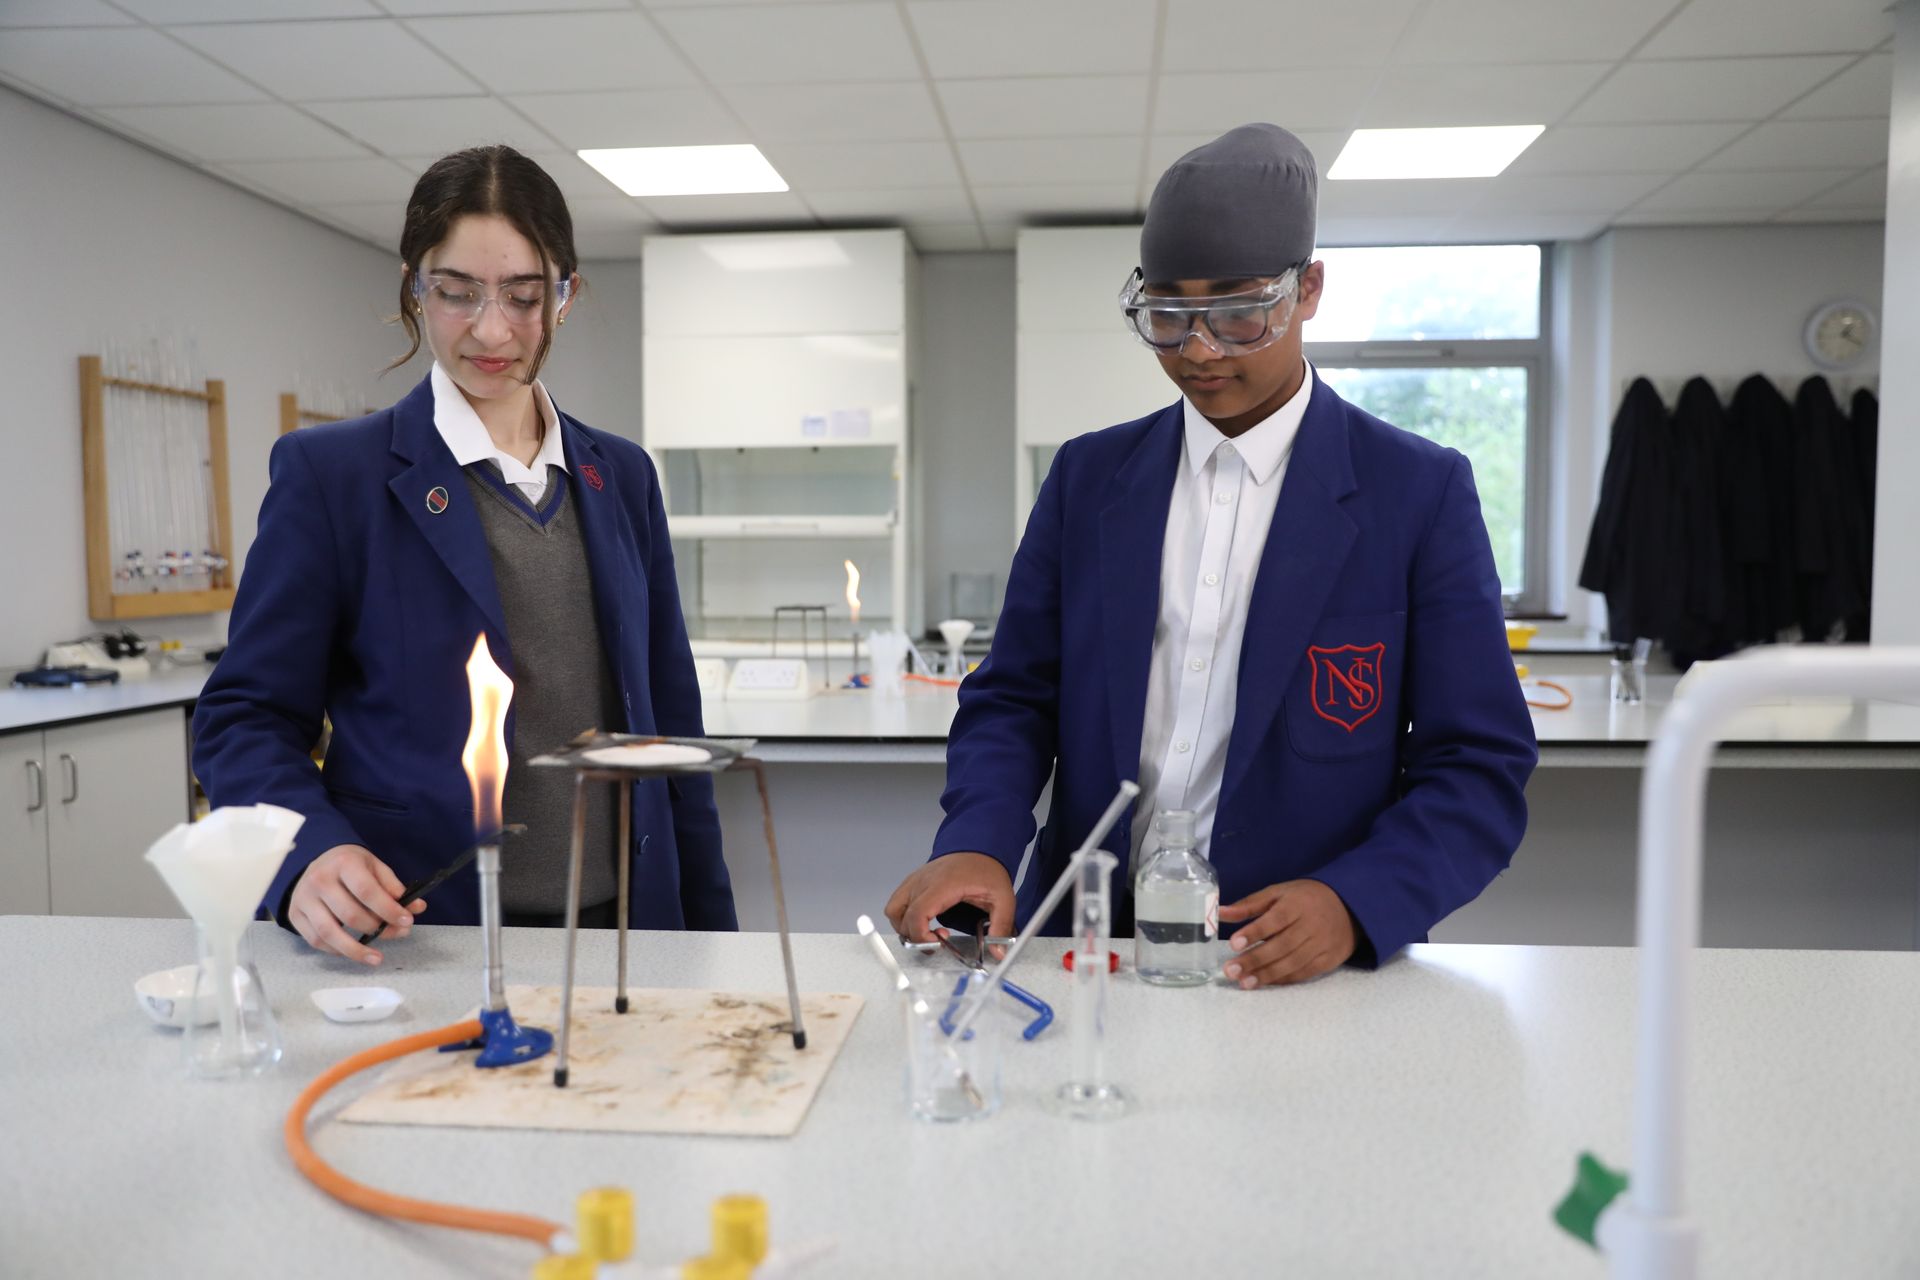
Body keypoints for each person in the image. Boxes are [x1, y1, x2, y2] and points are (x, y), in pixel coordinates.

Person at [886, 124, 1537, 986]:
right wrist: (977, 842)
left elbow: (1477, 766)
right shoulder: (1090, 480)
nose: (1198, 348)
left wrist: (1355, 900)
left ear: (1308, 290)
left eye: (1238, 311)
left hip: (1292, 960)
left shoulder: (1415, 493)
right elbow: (1014, 699)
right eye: (1167, 314)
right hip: (1087, 947)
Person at [194, 145, 733, 966]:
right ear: (414, 285)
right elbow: (245, 720)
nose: (492, 329)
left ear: (567, 295)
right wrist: (308, 856)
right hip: (423, 934)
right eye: (456, 293)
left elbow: (671, 730)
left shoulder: (620, 475)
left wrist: (716, 944)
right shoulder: (334, 476)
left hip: (629, 935)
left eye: (524, 297)